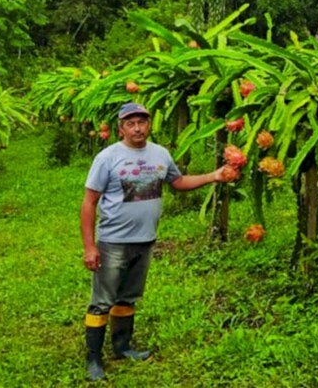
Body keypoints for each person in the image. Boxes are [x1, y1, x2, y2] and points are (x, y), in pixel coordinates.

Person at [80, 102, 235, 381]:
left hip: (146, 240)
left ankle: (122, 347)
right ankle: (93, 358)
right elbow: (90, 202)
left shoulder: (160, 154)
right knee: (102, 300)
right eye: (131, 123)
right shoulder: (107, 157)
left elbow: (178, 182)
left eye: (142, 121)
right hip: (113, 241)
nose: (137, 127)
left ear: (150, 124)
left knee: (128, 296)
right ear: (120, 128)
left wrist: (214, 176)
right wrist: (90, 246)